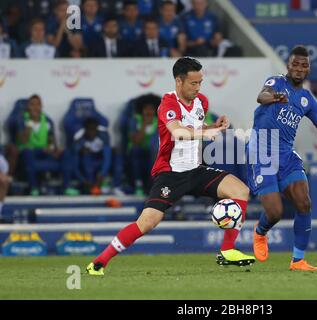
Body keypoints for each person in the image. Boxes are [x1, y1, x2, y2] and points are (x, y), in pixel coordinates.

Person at [87, 57, 255, 276]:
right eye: (193, 83)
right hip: (171, 174)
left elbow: (194, 126)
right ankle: (99, 262)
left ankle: (227, 250)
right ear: (178, 81)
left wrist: (213, 126)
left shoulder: (201, 102)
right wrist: (206, 133)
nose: (198, 88)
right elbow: (178, 132)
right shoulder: (168, 103)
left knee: (240, 190)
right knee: (147, 222)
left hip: (196, 170)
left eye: (200, 83)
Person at [248, 45, 317, 271]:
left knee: (304, 202)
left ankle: (298, 260)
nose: (299, 68)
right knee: (275, 213)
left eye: (304, 65)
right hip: (262, 153)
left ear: (308, 69)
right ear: (288, 65)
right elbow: (262, 96)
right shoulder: (276, 82)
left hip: (287, 156)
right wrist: (273, 98)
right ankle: (260, 232)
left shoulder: (308, 99)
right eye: (295, 64)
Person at [16, 94, 75, 196]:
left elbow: (51, 140)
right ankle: (34, 188)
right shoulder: (21, 120)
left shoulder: (47, 120)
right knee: (27, 153)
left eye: (38, 104)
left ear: (41, 106)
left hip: (44, 151)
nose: (35, 107)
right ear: (28, 107)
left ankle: (66, 187)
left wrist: (52, 148)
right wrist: (30, 123)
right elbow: (23, 141)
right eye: (32, 104)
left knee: (65, 153)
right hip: (28, 151)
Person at [73, 117, 123, 196]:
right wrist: (82, 180)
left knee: (117, 154)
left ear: (97, 129)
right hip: (87, 162)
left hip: (100, 160)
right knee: (86, 155)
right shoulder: (78, 139)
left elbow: (107, 157)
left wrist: (102, 175)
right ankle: (89, 185)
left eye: (94, 129)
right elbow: (74, 162)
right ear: (85, 129)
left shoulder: (104, 135)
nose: (91, 132)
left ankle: (116, 186)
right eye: (89, 129)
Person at [127, 95, 160, 195]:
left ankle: (152, 186)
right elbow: (136, 141)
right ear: (141, 110)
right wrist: (144, 124)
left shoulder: (159, 121)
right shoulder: (135, 120)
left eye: (151, 109)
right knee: (136, 151)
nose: (149, 112)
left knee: (155, 153)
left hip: (152, 152)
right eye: (146, 109)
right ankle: (138, 184)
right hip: (137, 150)